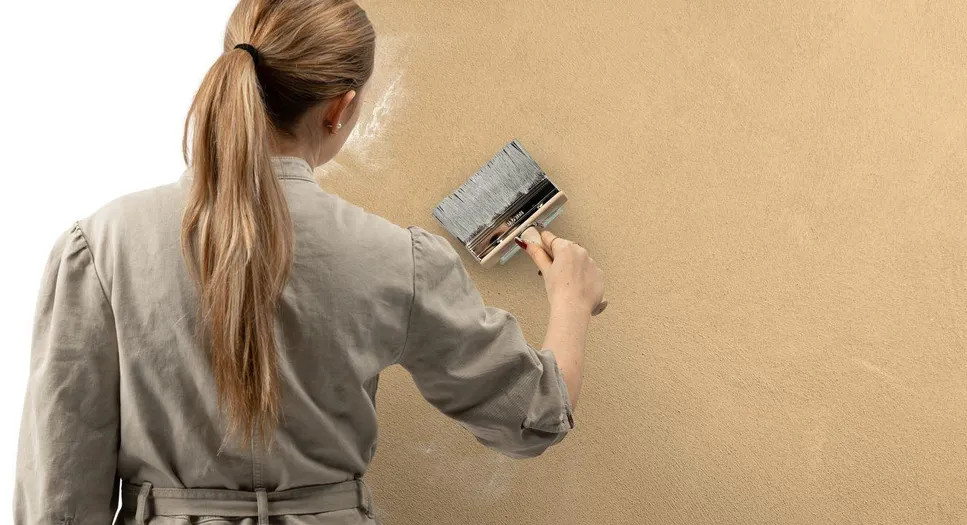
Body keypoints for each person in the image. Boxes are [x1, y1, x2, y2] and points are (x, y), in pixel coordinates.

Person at [13, 0, 604, 523]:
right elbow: (532, 418)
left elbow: (59, 495)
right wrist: (571, 302)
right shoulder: (397, 259)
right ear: (339, 109)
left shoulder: (100, 247)